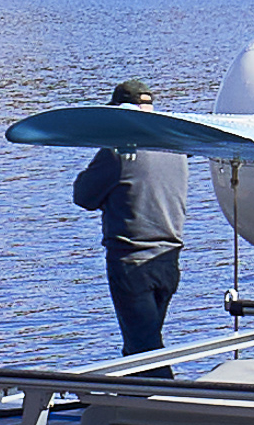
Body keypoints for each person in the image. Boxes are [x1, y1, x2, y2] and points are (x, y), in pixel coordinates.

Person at [68, 82, 187, 346]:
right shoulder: (177, 149)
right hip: (168, 262)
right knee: (148, 342)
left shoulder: (118, 152)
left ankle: (163, 388)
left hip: (132, 263)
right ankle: (148, 387)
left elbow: (83, 197)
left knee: (141, 348)